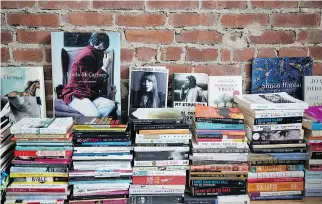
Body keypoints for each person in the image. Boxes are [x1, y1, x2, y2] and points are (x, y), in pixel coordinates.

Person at [61, 33, 116, 117]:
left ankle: (92, 120)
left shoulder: (96, 53)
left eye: (104, 49)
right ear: (92, 43)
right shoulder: (86, 56)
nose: (102, 51)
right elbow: (89, 83)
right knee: (94, 114)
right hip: (76, 94)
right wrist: (104, 67)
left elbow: (96, 81)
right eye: (100, 48)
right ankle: (94, 119)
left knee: (110, 104)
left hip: (89, 94)